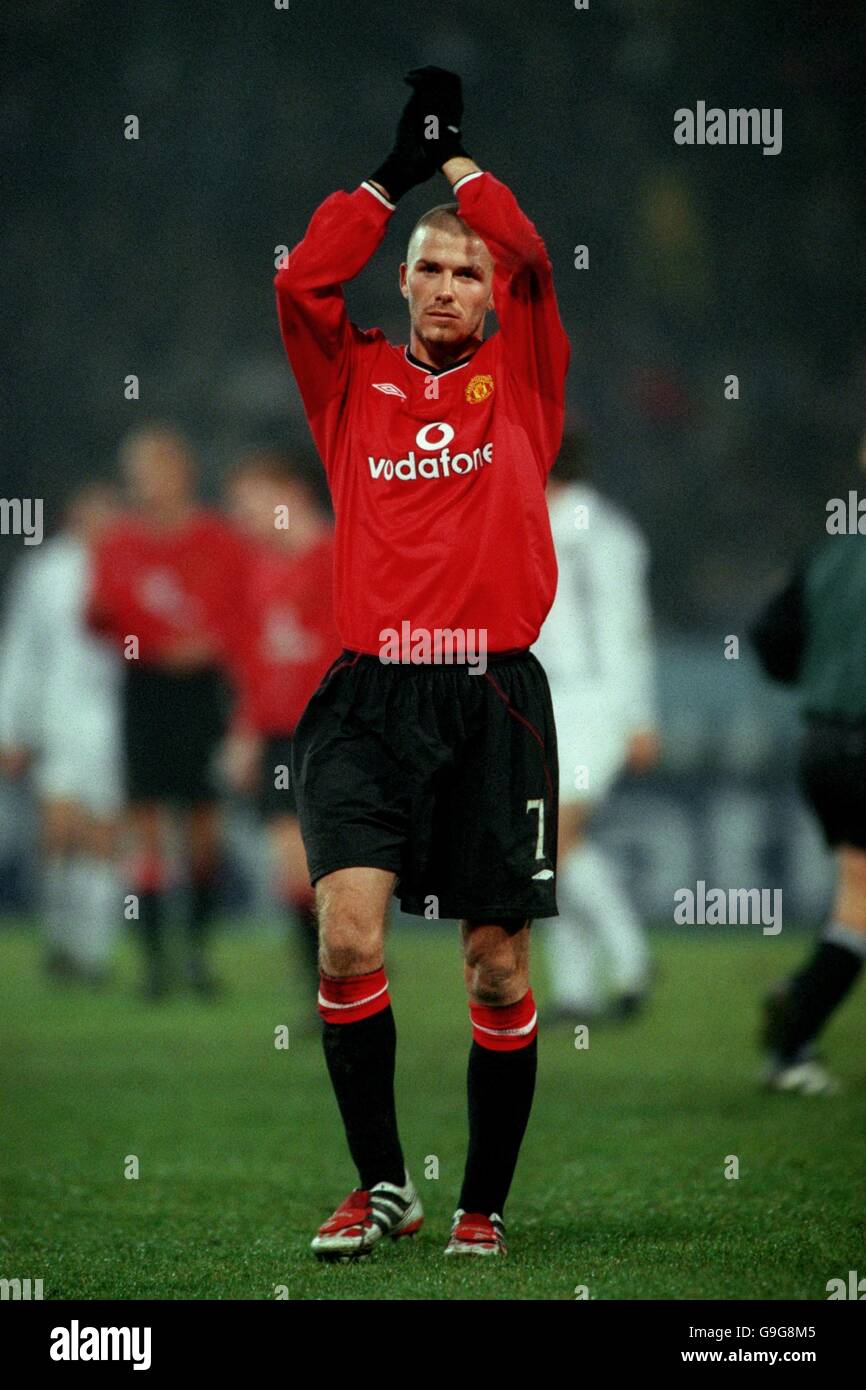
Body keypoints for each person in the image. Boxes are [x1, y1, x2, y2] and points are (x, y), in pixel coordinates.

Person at [274, 67, 570, 1259]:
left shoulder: (526, 381)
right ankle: (379, 1182)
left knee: (495, 966)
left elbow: (531, 246)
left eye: (466, 270)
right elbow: (301, 276)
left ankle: (482, 1204)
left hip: (493, 691)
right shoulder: (350, 380)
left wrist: (458, 164)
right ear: (398, 280)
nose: (448, 284)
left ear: (493, 292)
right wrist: (390, 175)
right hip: (365, 692)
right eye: (429, 266)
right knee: (346, 935)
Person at [87, 424, 246, 999]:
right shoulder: (118, 542)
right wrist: (153, 644)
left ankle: (198, 953)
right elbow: (99, 616)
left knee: (203, 825)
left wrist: (208, 644)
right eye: (138, 470)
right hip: (145, 689)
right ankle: (155, 964)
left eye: (156, 467)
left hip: (203, 691)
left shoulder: (219, 538)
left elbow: (241, 610)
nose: (146, 481)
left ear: (183, 471)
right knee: (147, 822)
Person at [532, 431, 660, 1022]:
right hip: (541, 701)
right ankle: (576, 992)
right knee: (544, 848)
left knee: (553, 841)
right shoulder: (536, 521)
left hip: (591, 705)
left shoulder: (600, 534)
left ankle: (632, 960)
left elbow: (627, 628)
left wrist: (639, 716)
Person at [751, 450, 866, 1095]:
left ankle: (797, 1029)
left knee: (857, 899)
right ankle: (797, 1023)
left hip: (824, 744)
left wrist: (826, 672)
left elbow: (770, 641)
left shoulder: (832, 548)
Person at [223, 448, 341, 995]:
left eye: (248, 502)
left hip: (338, 733)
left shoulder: (342, 556)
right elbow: (251, 658)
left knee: (342, 875)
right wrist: (244, 732)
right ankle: (322, 990)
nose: (240, 515)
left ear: (286, 492)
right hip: (277, 739)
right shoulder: (257, 568)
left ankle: (349, 979)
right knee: (293, 869)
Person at [0, 482, 124, 983]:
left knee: (103, 835)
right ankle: (60, 939)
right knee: (57, 832)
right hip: (58, 717)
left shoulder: (129, 564)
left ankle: (92, 951)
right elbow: (22, 650)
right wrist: (11, 727)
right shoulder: (47, 571)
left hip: (116, 719)